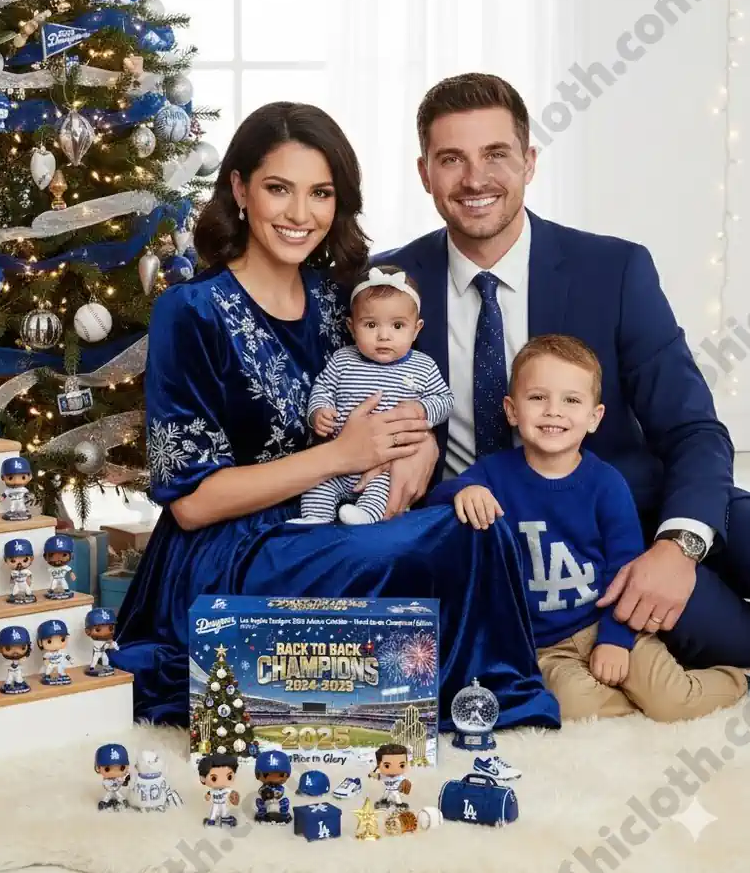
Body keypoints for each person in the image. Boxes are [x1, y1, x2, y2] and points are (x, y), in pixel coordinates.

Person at [110, 101, 560, 730]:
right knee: (409, 548)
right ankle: (406, 697)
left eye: (320, 193)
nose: (300, 215)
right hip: (236, 548)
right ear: (239, 189)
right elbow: (192, 504)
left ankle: (479, 700)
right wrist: (341, 456)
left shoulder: (340, 300)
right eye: (278, 189)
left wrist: (422, 446)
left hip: (346, 515)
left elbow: (402, 395)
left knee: (475, 525)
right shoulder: (191, 311)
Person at [376, 72, 750, 669]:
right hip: (514, 545)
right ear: (425, 173)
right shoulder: (387, 286)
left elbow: (693, 431)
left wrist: (678, 547)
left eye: (495, 155)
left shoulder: (614, 269)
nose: (475, 179)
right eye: (452, 159)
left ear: (529, 161)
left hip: (627, 513)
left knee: (739, 520)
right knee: (735, 639)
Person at [427, 334, 746, 720]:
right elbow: (438, 497)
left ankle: (739, 679)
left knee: (672, 702)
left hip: (609, 622)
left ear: (594, 417)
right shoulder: (493, 475)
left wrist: (615, 640)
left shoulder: (606, 484)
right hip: (547, 643)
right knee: (573, 707)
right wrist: (465, 489)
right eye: (537, 398)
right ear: (512, 410)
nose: (553, 412)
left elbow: (623, 569)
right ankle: (634, 702)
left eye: (571, 400)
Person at [296, 263, 453, 525]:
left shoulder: (423, 366)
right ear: (351, 326)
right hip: (337, 458)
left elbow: (445, 400)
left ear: (416, 329)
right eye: (370, 324)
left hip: (386, 462)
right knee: (317, 485)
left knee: (386, 485)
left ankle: (366, 515)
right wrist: (319, 412)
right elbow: (323, 387)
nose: (383, 336)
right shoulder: (343, 360)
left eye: (398, 326)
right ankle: (315, 520)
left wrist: (422, 410)